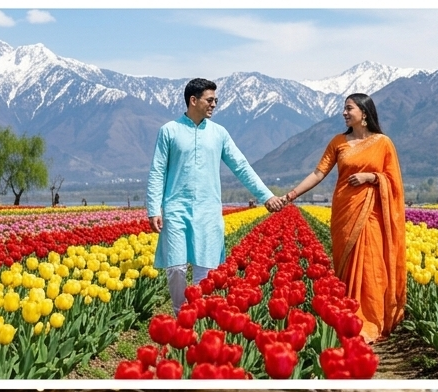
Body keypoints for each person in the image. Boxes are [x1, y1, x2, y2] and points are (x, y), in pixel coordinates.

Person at [278, 93, 407, 342]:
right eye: (344, 109)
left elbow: (393, 182)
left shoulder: (383, 143)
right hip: (344, 211)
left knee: (371, 263)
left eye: (349, 108)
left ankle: (369, 319)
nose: (344, 113)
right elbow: (318, 173)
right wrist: (290, 195)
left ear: (365, 113)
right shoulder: (338, 142)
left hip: (371, 213)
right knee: (346, 264)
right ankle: (348, 316)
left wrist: (372, 178)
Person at [146, 78, 280, 313]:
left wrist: (266, 196)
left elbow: (241, 166)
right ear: (193, 100)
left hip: (208, 210)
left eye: (216, 100)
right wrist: (153, 209)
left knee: (204, 268)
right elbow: (157, 170)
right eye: (210, 100)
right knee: (176, 267)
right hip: (175, 207)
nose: (214, 104)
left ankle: (196, 313)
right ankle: (179, 312)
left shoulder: (219, 134)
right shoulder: (169, 131)